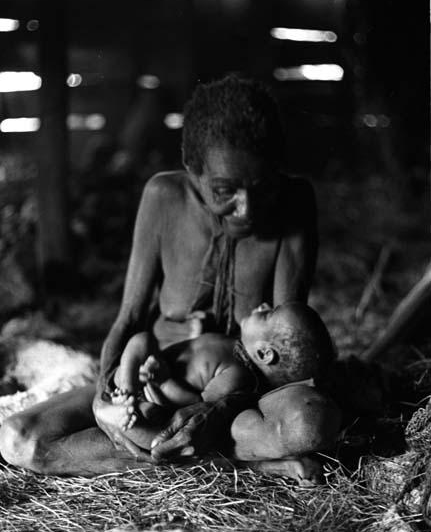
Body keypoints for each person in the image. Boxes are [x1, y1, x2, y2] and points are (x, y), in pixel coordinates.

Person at [0, 75, 318, 476]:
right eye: (224, 191)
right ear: (192, 169)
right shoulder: (163, 197)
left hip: (240, 396)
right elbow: (129, 320)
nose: (246, 209)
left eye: (262, 187)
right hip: (157, 377)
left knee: (306, 421)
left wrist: (216, 410)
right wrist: (106, 397)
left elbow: (282, 354)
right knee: (19, 438)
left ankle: (204, 450)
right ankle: (235, 461)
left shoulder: (294, 204)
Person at [99, 302, 340, 484]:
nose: (263, 305)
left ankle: (124, 415)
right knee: (142, 339)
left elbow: (195, 406)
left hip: (156, 395)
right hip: (151, 370)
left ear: (265, 354)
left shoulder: (237, 375)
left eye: (267, 314)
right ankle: (123, 394)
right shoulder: (234, 345)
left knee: (153, 431)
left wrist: (164, 382)